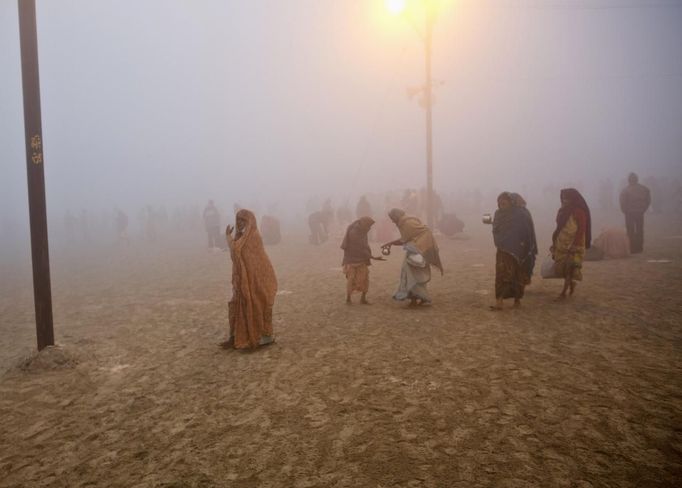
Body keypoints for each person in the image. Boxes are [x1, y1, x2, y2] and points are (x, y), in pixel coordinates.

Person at [220, 209, 277, 349]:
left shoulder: (252, 236)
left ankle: (264, 337)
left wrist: (228, 237)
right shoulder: (242, 237)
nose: (239, 223)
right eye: (237, 220)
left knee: (257, 305)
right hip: (243, 279)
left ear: (249, 221)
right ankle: (234, 336)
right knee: (236, 304)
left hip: (257, 279)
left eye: (242, 220)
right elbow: (236, 255)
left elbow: (237, 250)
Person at [382, 208, 443, 307]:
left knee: (412, 275)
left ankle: (415, 299)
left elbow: (404, 240)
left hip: (417, 251)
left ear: (396, 216)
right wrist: (391, 243)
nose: (392, 221)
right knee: (415, 275)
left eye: (392, 218)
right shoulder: (408, 221)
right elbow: (407, 238)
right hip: (417, 250)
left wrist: (390, 243)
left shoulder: (407, 224)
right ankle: (420, 298)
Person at [490, 193, 537, 310]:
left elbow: (528, 231)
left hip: (519, 251)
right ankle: (499, 301)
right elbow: (496, 229)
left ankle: (517, 300)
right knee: (501, 275)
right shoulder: (498, 214)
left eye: (504, 203)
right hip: (503, 251)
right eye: (499, 204)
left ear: (511, 202)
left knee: (518, 275)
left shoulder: (521, 214)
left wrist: (524, 246)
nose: (501, 206)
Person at [551, 188, 591, 299]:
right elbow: (559, 227)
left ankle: (563, 292)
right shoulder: (562, 210)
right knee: (561, 268)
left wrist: (575, 244)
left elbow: (581, 229)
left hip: (574, 244)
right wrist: (554, 242)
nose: (564, 200)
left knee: (570, 267)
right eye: (563, 198)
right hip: (561, 244)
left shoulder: (579, 212)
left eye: (567, 198)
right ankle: (570, 283)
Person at [341, 217, 384, 304]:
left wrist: (371, 256)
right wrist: (372, 257)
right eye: (369, 226)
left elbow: (364, 247)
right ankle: (349, 298)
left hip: (357, 259)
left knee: (363, 279)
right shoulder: (355, 233)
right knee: (352, 279)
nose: (370, 228)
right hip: (352, 259)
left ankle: (361, 299)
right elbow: (361, 248)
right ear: (364, 224)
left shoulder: (361, 230)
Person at [619, 173, 651, 253]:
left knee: (630, 230)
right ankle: (639, 248)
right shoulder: (644, 189)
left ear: (629, 180)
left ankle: (632, 248)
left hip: (629, 213)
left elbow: (622, 202)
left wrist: (624, 210)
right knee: (640, 230)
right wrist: (643, 209)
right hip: (640, 212)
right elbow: (648, 201)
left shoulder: (626, 190)